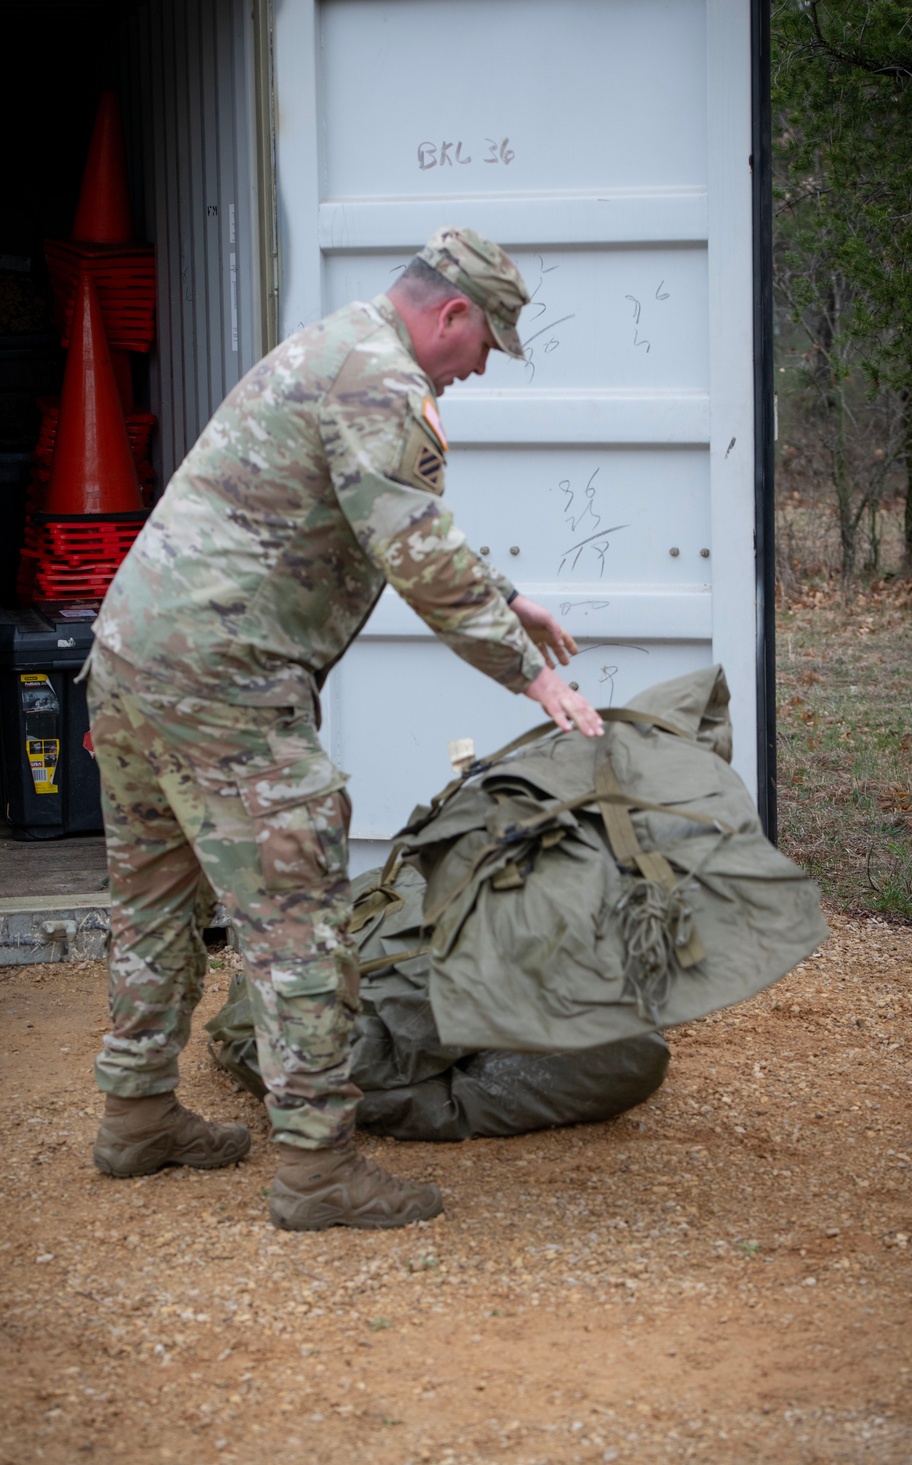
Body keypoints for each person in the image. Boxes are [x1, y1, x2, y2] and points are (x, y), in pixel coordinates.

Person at [84, 226, 604, 1232]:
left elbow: (379, 520)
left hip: (135, 657)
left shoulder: (335, 348)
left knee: (153, 893)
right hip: (224, 678)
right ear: (450, 316)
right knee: (298, 916)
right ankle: (319, 1170)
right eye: (485, 347)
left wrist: (511, 598)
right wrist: (530, 677)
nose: (477, 371)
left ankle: (136, 1113)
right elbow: (413, 550)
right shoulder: (380, 379)